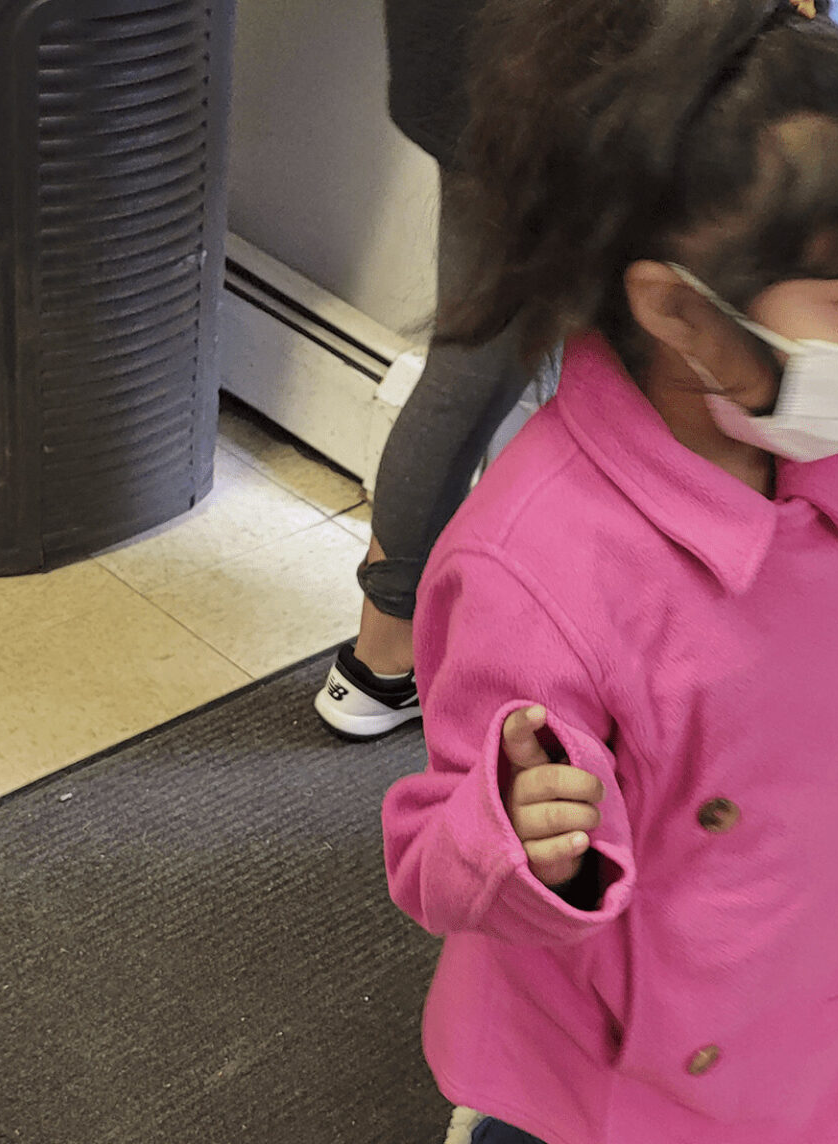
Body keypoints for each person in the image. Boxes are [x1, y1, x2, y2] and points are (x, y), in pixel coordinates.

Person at [380, 2, 838, 1141]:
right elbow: (431, 848)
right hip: (602, 1065)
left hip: (807, 1003)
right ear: (676, 312)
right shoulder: (534, 563)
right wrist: (516, 836)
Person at [312, 0, 531, 741]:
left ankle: (380, 661)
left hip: (469, 46)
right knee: (608, 376)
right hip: (576, 59)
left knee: (473, 363)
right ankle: (392, 659)